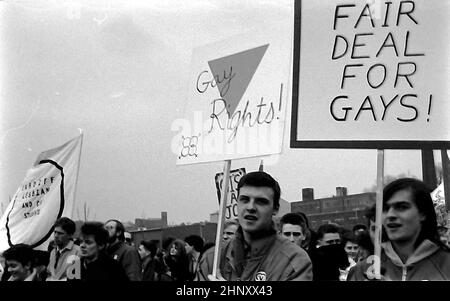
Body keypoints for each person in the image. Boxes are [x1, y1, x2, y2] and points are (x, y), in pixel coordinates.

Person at [197, 171, 312, 281]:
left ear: (275, 208)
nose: (251, 207)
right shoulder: (212, 258)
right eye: (245, 199)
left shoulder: (294, 260)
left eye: (261, 201)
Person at [348, 178, 450, 281]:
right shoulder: (363, 271)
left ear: (422, 213)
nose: (390, 215)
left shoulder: (446, 266)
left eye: (402, 207)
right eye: (386, 208)